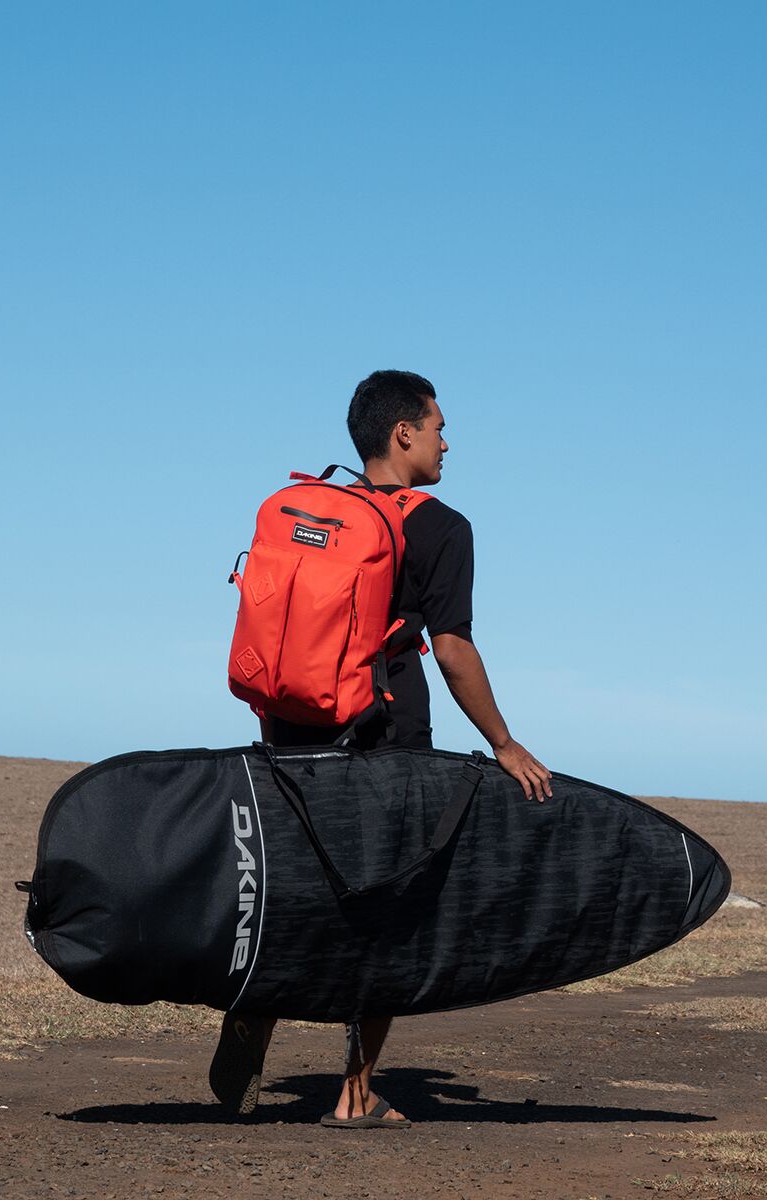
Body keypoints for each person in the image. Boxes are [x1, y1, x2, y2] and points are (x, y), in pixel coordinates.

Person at [211, 369, 552, 1128]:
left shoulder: (313, 508)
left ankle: (256, 1008)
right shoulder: (440, 526)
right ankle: (356, 1093)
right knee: (390, 910)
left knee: (303, 889)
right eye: (437, 426)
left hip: (293, 729)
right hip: (387, 737)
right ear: (404, 432)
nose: (445, 440)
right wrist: (504, 741)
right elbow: (453, 648)